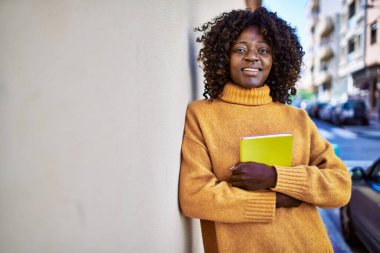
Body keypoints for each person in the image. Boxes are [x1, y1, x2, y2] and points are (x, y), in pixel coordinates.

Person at [179, 7, 351, 253]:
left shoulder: (297, 119)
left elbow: (340, 186)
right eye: (240, 49)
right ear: (223, 56)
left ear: (275, 60)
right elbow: (195, 196)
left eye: (263, 50)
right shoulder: (202, 115)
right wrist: (277, 200)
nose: (252, 57)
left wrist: (275, 177)